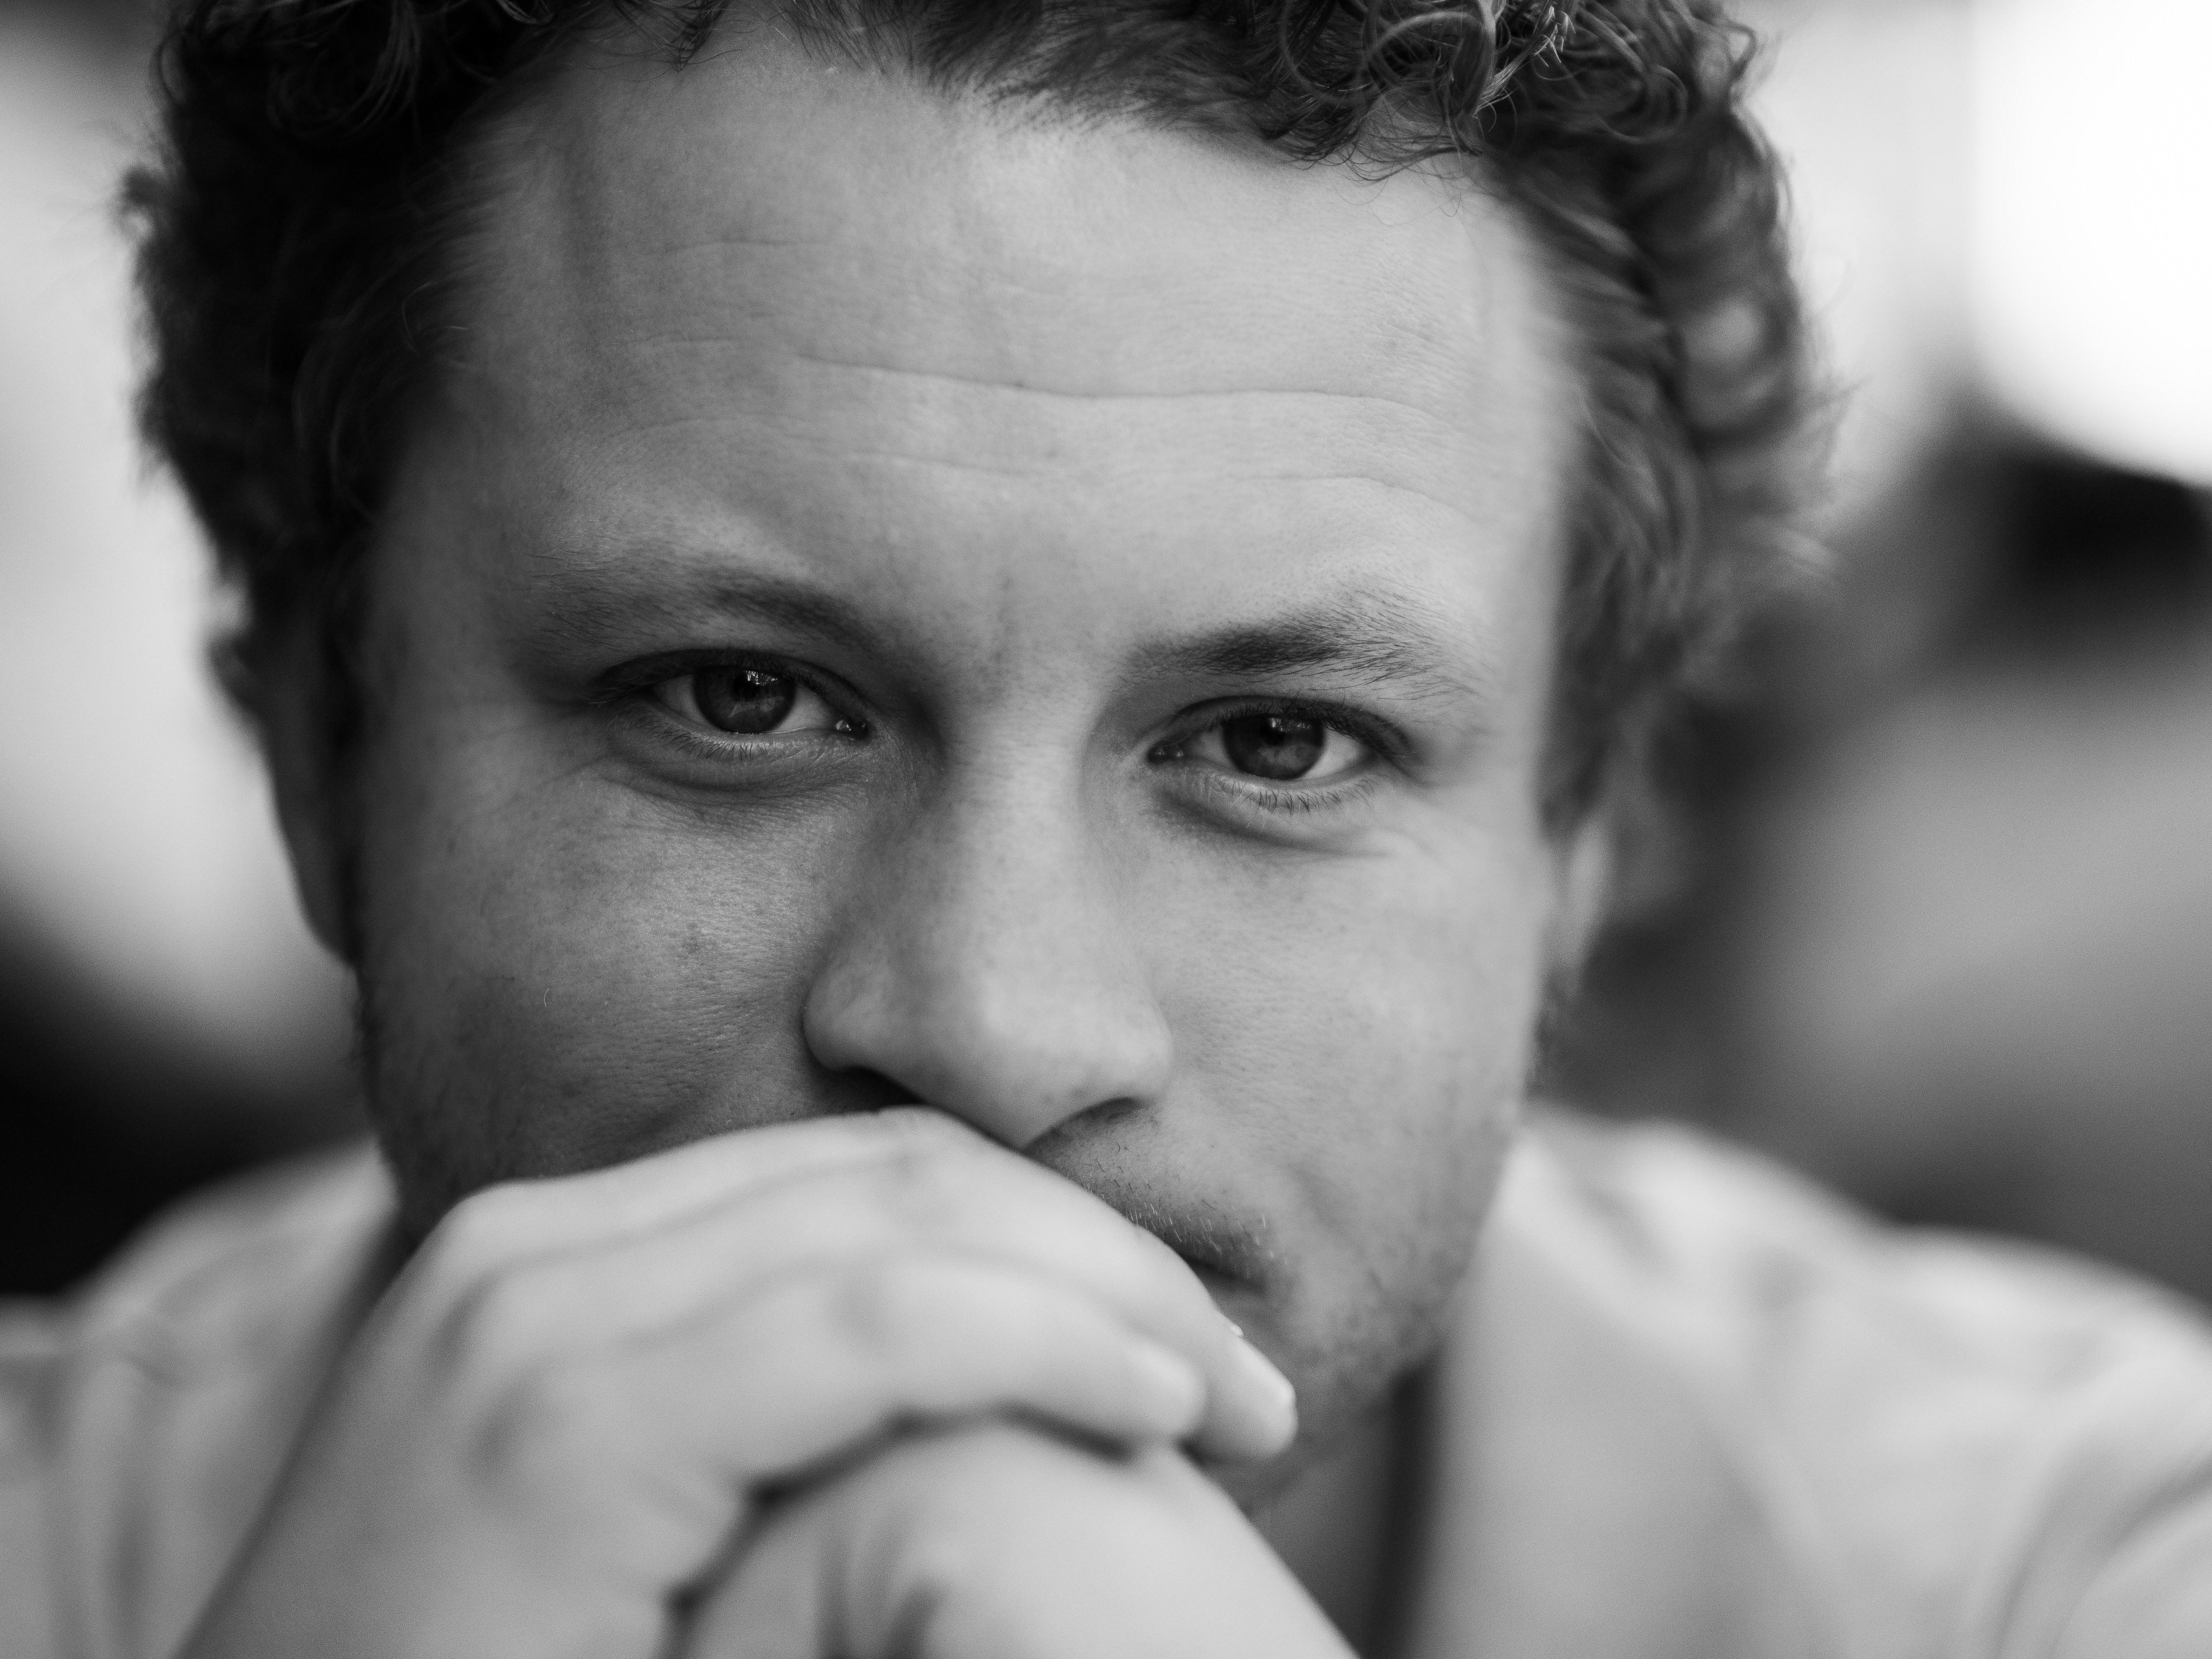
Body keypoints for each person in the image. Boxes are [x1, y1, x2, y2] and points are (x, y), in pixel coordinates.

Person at [5, 0, 2209, 1654]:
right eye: (738, 699)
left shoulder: (2067, 1568)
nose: (993, 1029)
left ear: (1580, 844)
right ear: (317, 754)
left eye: (1280, 743)